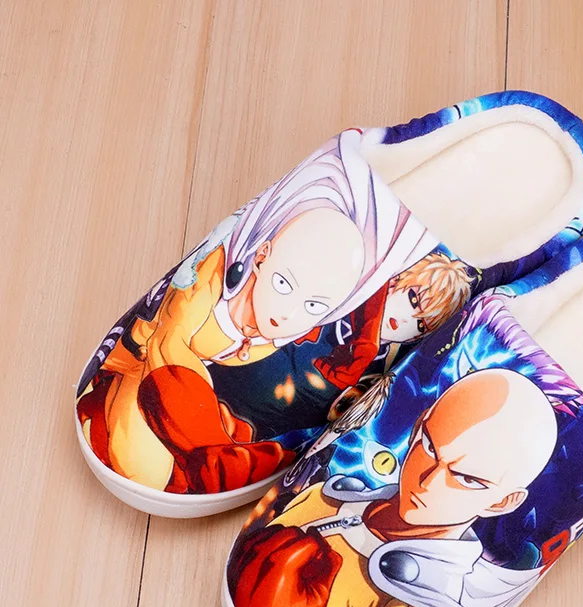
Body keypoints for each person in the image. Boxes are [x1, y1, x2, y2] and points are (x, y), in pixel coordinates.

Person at [76, 131, 437, 493]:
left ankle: (218, 454)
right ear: (262, 256)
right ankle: (219, 458)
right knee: (141, 462)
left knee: (153, 468)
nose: (288, 313)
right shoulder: (215, 274)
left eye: (314, 306)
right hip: (148, 368)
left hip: (195, 407)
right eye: (283, 283)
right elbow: (167, 342)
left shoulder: (305, 334)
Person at [228, 368, 559, 607]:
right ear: (418, 427)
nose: (427, 481)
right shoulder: (325, 497)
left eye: (467, 479)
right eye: (430, 447)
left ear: (502, 502)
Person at [312, 251, 473, 388]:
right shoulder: (338, 308)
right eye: (413, 300)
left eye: (421, 324)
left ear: (416, 338)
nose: (407, 320)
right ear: (394, 282)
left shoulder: (378, 369)